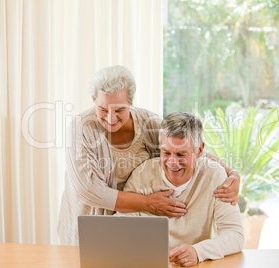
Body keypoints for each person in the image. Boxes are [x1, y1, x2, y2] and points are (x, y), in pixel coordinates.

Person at [57, 65, 241, 245]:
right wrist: (146, 203)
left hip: (125, 228)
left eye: (119, 110)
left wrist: (229, 171)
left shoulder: (149, 123)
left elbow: (185, 146)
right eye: (103, 109)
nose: (111, 118)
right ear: (94, 101)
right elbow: (91, 191)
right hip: (86, 227)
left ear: (130, 102)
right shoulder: (81, 129)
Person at [118, 112, 244, 267]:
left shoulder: (214, 176)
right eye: (166, 152)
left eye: (181, 154)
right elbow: (120, 232)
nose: (172, 162)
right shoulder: (141, 175)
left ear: (199, 151)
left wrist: (198, 252)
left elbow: (235, 235)